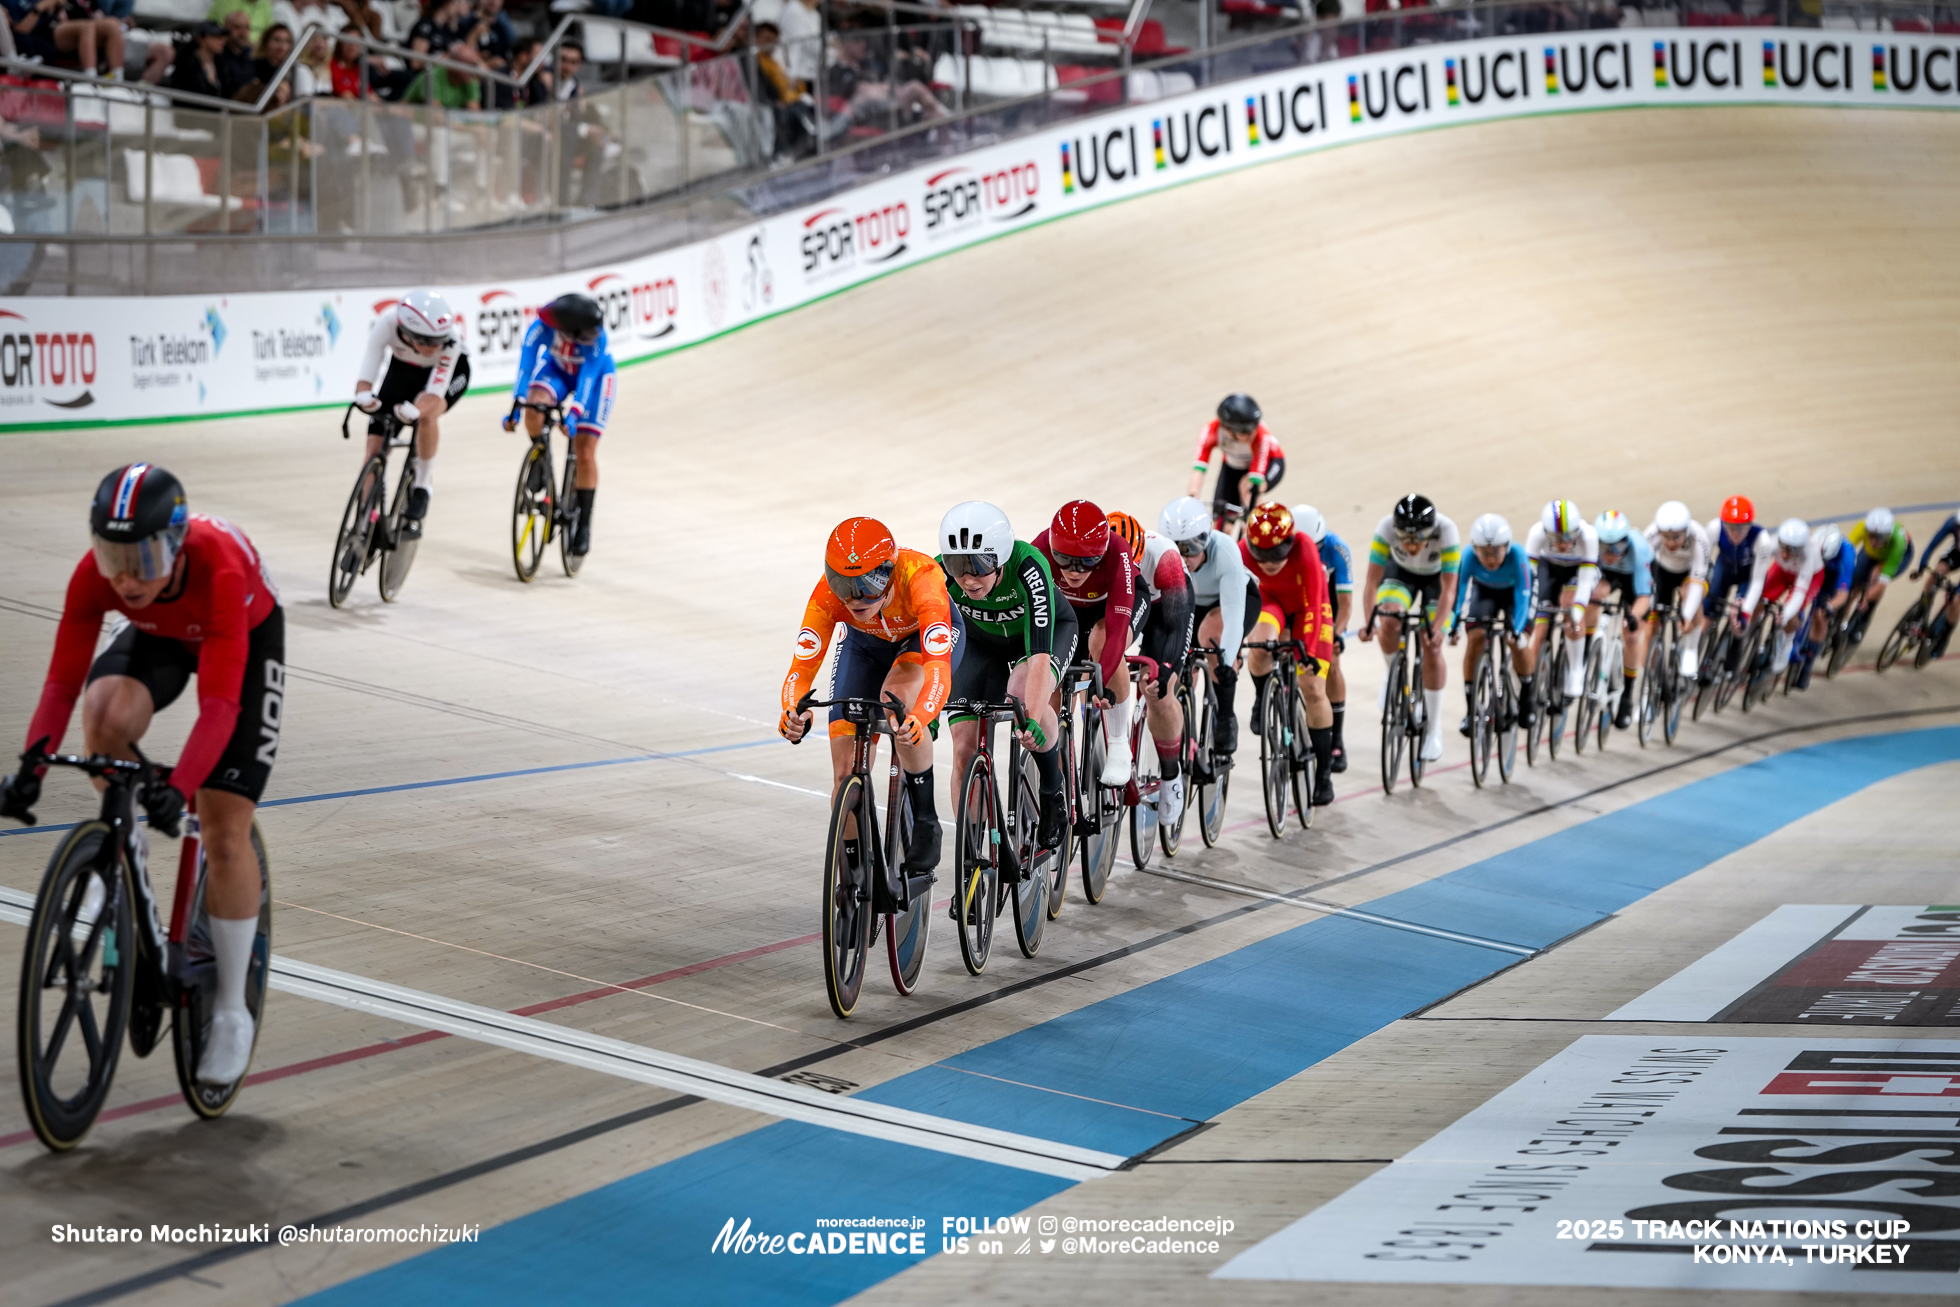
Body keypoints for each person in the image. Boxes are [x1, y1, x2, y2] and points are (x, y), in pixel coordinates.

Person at [0, 465, 284, 1086]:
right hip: (162, 632)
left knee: (224, 828)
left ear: (177, 545)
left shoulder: (221, 568)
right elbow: (62, 683)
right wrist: (33, 765)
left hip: (239, 633)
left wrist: (176, 790)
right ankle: (120, 853)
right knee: (104, 714)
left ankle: (232, 1011)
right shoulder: (105, 578)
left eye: (145, 556)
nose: (126, 577)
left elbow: (221, 709)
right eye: (112, 556)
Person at [779, 517, 961, 877]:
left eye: (866, 584)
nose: (854, 598)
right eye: (843, 585)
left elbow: (938, 672)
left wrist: (920, 719)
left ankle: (926, 820)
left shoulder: (921, 578)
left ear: (889, 574)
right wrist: (792, 711)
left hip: (917, 642)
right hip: (864, 647)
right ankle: (855, 874)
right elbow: (802, 666)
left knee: (898, 702)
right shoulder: (827, 596)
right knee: (844, 773)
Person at [937, 501, 1071, 853]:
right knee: (964, 747)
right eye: (958, 567)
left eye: (979, 566)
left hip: (1036, 641)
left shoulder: (1028, 566)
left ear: (1000, 559)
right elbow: (932, 650)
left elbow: (1040, 656)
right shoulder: (938, 576)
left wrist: (1034, 717)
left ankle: (1052, 790)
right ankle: (971, 859)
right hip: (982, 643)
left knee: (1025, 698)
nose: (968, 579)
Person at [1033, 500, 1138, 787]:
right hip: (1068, 611)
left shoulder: (1118, 552)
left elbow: (1117, 631)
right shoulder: (1039, 549)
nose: (1075, 571)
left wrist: (1100, 676)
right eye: (1064, 560)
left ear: (1102, 555)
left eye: (1088, 561)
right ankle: (1053, 784)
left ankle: (1118, 742)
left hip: (1107, 610)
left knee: (1102, 639)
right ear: (1052, 549)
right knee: (1048, 677)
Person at [502, 292, 615, 557]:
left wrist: (575, 413)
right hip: (558, 371)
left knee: (585, 452)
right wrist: (518, 402)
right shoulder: (540, 327)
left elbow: (588, 378)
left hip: (597, 381)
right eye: (586, 333)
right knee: (534, 406)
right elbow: (526, 365)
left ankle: (584, 524)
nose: (593, 336)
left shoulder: (599, 340)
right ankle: (540, 456)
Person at [1239, 503, 1337, 804]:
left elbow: (1314, 605)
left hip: (1308, 607)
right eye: (1262, 557)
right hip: (1270, 601)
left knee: (1313, 687)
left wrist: (1306, 655)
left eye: (1276, 556)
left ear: (1290, 543)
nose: (1269, 564)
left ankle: (1324, 774)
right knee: (1260, 647)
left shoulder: (1305, 548)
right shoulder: (1242, 550)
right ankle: (1261, 696)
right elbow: (1237, 602)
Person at [353, 290, 469, 539]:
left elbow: (435, 393)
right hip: (404, 369)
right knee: (374, 451)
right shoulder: (387, 324)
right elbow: (365, 378)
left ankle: (423, 485)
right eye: (428, 341)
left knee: (427, 415)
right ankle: (363, 522)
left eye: (440, 340)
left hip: (450, 373)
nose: (436, 346)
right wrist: (365, 398)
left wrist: (416, 410)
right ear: (407, 333)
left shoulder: (451, 341)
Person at [1356, 493, 1459, 762]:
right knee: (1389, 620)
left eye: (1418, 539)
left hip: (1436, 581)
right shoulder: (1386, 527)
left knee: (1431, 645)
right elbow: (1371, 582)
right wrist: (1370, 621)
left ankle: (1434, 729)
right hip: (1401, 574)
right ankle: (1393, 672)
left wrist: (1438, 628)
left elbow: (1449, 589)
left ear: (1432, 531)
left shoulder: (1447, 531)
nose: (1412, 546)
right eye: (1405, 539)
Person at [1109, 510, 1193, 826]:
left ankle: (1171, 776)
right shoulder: (1096, 560)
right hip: (1119, 601)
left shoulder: (1165, 559)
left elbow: (1175, 625)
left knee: (1155, 688)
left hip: (1163, 610)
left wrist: (1167, 668)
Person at [1158, 495, 1255, 760]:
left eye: (1193, 547)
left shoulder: (1226, 552)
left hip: (1232, 600)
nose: (1185, 557)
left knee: (1212, 638)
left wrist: (1227, 659)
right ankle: (1182, 728)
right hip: (1191, 601)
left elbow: (1234, 616)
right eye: (1177, 549)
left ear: (1207, 539)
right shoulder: (1160, 555)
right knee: (1175, 656)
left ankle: (1225, 716)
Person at [1449, 512, 1532, 737]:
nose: (1490, 558)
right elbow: (1458, 592)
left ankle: (1527, 693)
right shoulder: (1468, 556)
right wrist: (1453, 623)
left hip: (1514, 595)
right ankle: (1471, 709)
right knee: (1475, 638)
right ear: (1475, 549)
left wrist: (1517, 628)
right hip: (1485, 593)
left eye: (1495, 552)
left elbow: (1524, 596)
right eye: (1483, 553)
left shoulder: (1518, 556)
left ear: (1506, 546)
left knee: (1515, 641)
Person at [1289, 504, 1352, 772]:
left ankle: (1335, 737)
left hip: (1326, 605)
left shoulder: (1337, 549)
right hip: (1297, 601)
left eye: (1316, 547)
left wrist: (1337, 632)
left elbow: (1345, 603)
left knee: (1332, 661)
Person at [1522, 499, 1599, 714]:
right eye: (1555, 538)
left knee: (1569, 605)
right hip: (1549, 568)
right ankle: (1531, 678)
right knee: (1539, 627)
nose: (1562, 543)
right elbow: (1529, 578)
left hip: (1579, 571)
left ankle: (1576, 670)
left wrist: (1576, 611)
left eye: (1567, 537)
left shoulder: (1589, 535)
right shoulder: (1537, 533)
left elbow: (1585, 582)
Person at [1589, 510, 1654, 730]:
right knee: (1593, 596)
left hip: (1634, 581)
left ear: (1626, 542)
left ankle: (1627, 695)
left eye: (1617, 547)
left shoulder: (1639, 550)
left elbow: (1644, 596)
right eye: (1605, 547)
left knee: (1632, 635)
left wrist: (1633, 618)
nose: (1610, 553)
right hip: (1610, 575)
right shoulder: (1593, 548)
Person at [1186, 394, 1285, 532]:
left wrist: (1250, 515)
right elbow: (1198, 472)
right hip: (1233, 465)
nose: (1253, 433)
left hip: (1271, 462)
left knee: (1248, 491)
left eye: (1254, 427)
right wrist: (1190, 503)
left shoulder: (1261, 436)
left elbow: (1254, 483)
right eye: (1247, 431)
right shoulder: (1210, 432)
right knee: (1221, 522)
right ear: (1229, 429)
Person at [1704, 495, 1778, 679]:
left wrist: (1745, 611)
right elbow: (1703, 562)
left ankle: (1736, 649)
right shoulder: (1714, 528)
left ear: (1750, 525)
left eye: (1741, 527)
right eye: (1730, 527)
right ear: (1723, 523)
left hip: (1749, 577)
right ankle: (1699, 653)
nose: (1735, 533)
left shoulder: (1761, 539)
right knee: (1705, 614)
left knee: (1740, 620)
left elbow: (1758, 581)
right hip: (1724, 569)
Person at [1742, 518, 1822, 682]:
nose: (1784, 554)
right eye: (1783, 548)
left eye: (1790, 551)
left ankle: (1786, 644)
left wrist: (1785, 614)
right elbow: (1754, 571)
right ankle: (1747, 633)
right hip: (1782, 571)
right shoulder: (1772, 543)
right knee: (1758, 598)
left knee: (1791, 614)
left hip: (1809, 577)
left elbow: (1799, 593)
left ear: (1800, 549)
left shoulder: (1810, 555)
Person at [1644, 500, 1711, 680]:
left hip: (1690, 574)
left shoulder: (1699, 538)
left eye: (1676, 537)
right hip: (1662, 570)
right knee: (1650, 628)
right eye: (1665, 537)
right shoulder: (1651, 534)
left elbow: (1698, 581)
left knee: (1690, 597)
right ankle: (1651, 681)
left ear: (1686, 532)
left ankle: (1690, 650)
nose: (1670, 542)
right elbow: (1642, 572)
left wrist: (1687, 615)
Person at [1843, 506, 1912, 646]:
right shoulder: (1862, 527)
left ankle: (1862, 622)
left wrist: (1866, 598)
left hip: (1896, 558)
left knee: (1876, 581)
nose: (1873, 541)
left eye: (1879, 538)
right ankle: (1842, 620)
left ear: (1887, 536)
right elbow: (1845, 554)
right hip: (1871, 555)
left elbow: (1882, 583)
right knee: (1852, 582)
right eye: (1870, 536)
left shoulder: (1898, 542)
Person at [1797, 523, 1854, 686]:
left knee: (1820, 614)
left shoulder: (1847, 556)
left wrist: (1830, 606)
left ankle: (1808, 663)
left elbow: (1842, 595)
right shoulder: (1812, 542)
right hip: (1816, 568)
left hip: (1834, 575)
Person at [8, 0, 123, 78]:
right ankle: (90, 80)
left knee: (112, 25)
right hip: (43, 30)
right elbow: (21, 30)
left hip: (60, 23)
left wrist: (59, 7)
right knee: (86, 26)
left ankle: (117, 81)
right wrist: (42, 6)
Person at [1908, 511, 1960, 660]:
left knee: (1956, 600)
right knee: (1935, 574)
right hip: (1957, 554)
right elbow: (1932, 545)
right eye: (1959, 528)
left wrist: (1956, 591)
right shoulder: (1952, 523)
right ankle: (1922, 607)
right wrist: (1922, 566)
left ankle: (1945, 636)